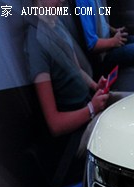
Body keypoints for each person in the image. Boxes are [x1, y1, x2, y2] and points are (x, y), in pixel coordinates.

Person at [24, 0, 124, 160]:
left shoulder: (55, 23)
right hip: (76, 134)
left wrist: (95, 85)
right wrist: (91, 109)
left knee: (131, 103)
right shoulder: (36, 45)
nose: (63, 1)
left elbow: (76, 69)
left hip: (87, 105)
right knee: (125, 129)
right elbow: (55, 125)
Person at [75, 0, 134, 89]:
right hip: (102, 57)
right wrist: (113, 41)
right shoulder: (83, 2)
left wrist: (114, 30)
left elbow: (100, 22)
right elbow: (92, 45)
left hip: (108, 44)